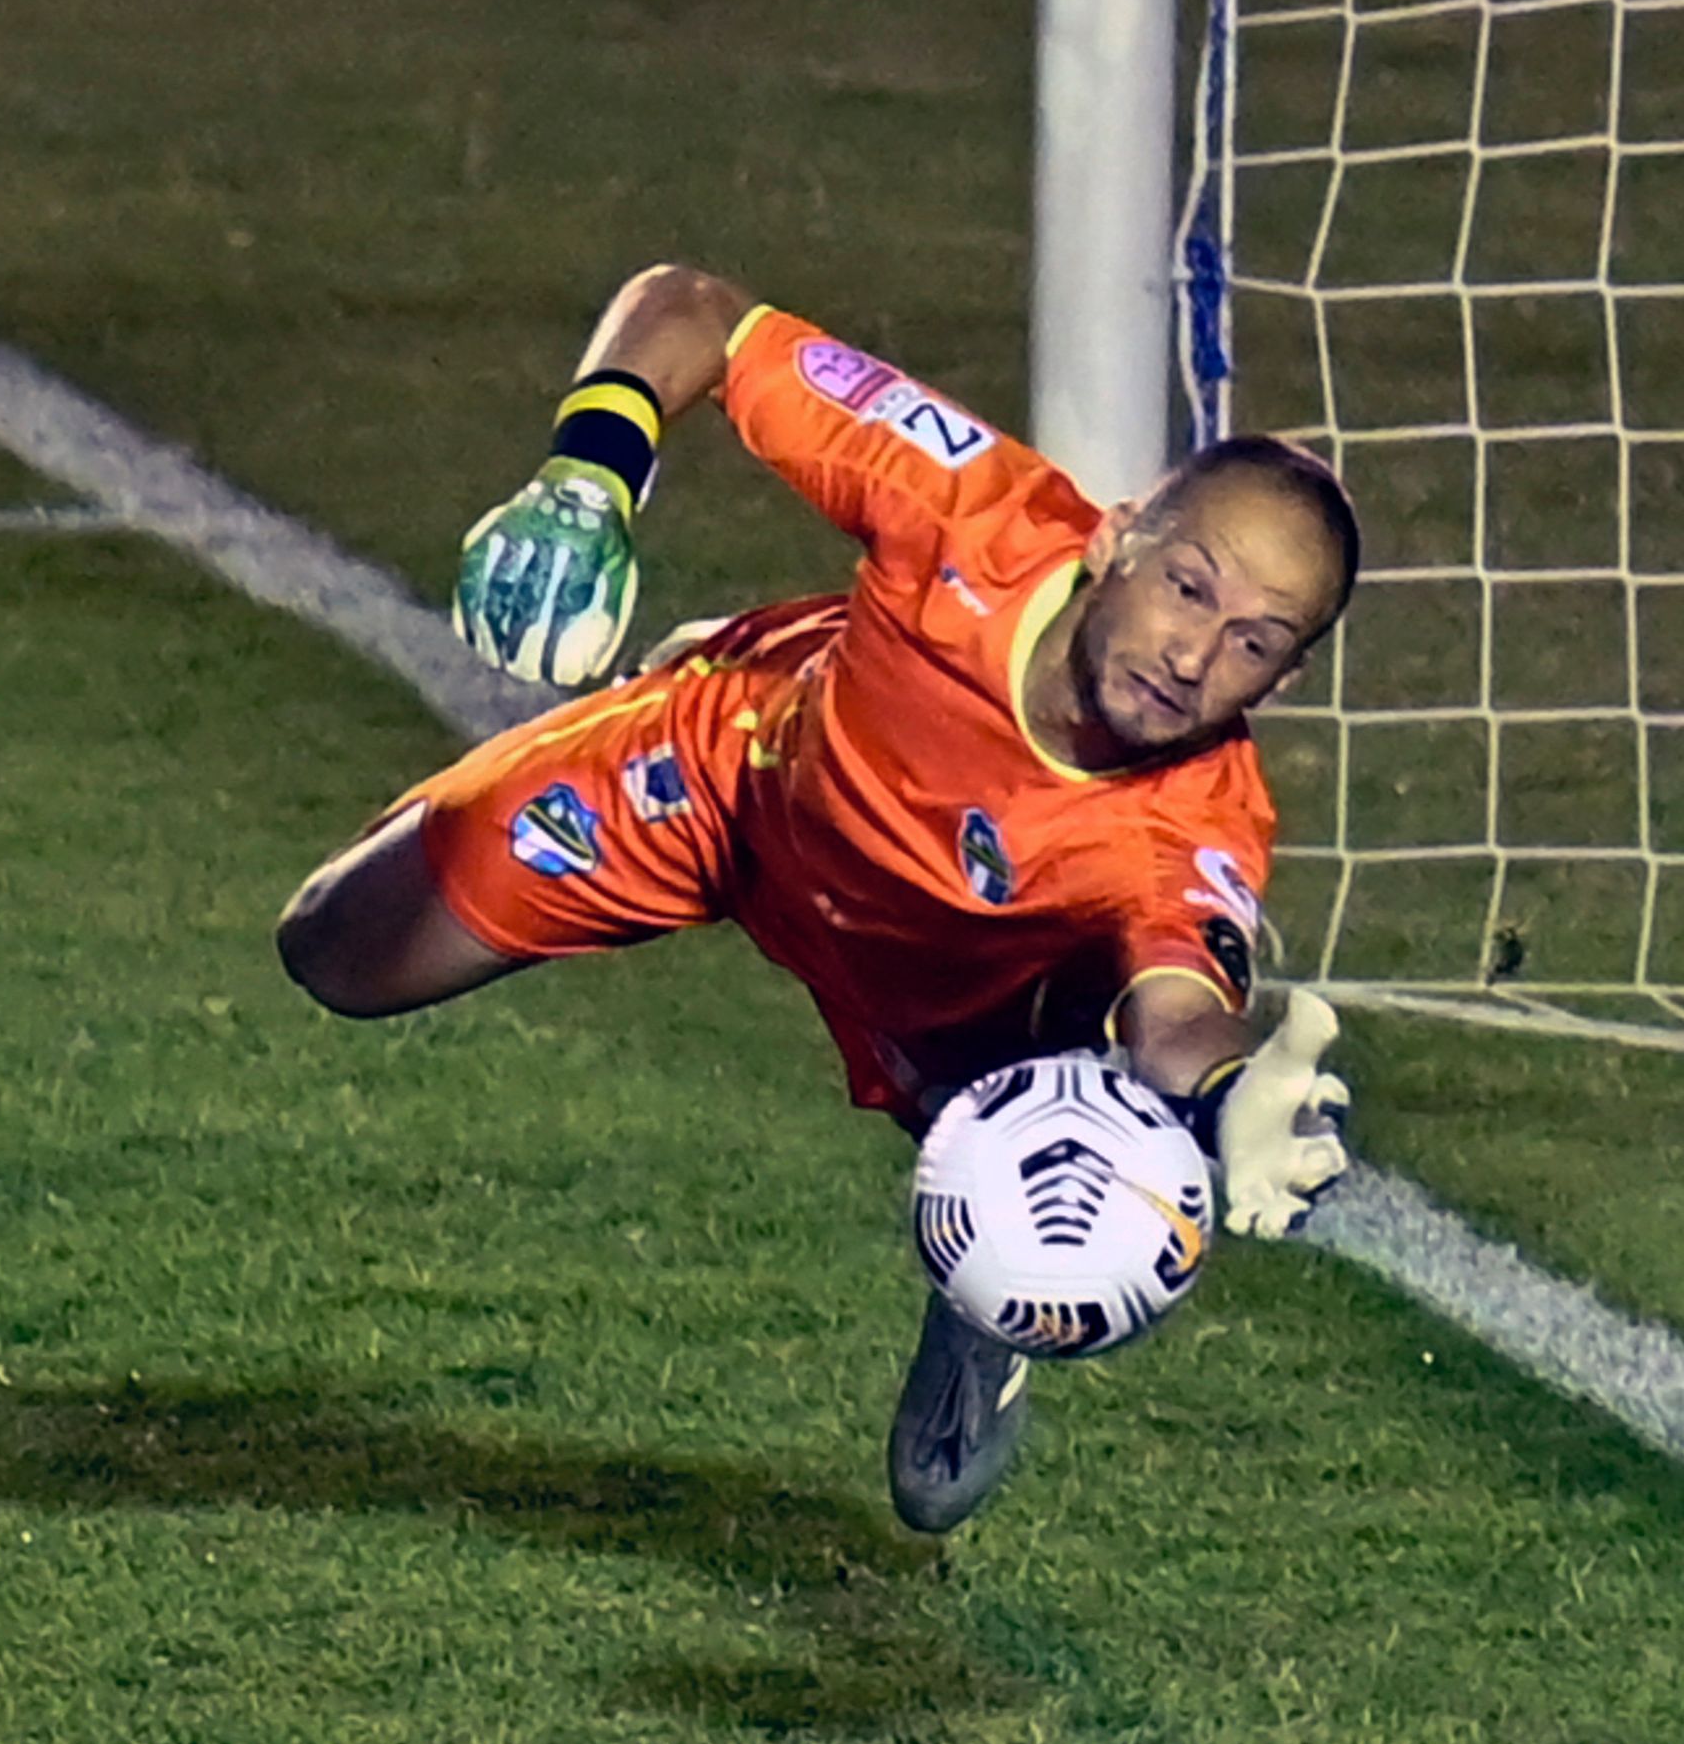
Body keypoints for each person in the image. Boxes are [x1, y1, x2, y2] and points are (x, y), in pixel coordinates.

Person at [274, 263, 1355, 1533]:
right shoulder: (970, 509)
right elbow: (693, 313)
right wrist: (586, 483)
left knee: (1078, 1079)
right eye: (1189, 585)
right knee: (336, 952)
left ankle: (989, 1276)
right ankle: (737, 660)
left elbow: (1175, 1007)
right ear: (1116, 540)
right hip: (727, 782)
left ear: (1283, 679)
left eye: (1254, 641)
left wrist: (1231, 1091)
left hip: (933, 987)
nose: (1194, 652)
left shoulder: (1197, 820)